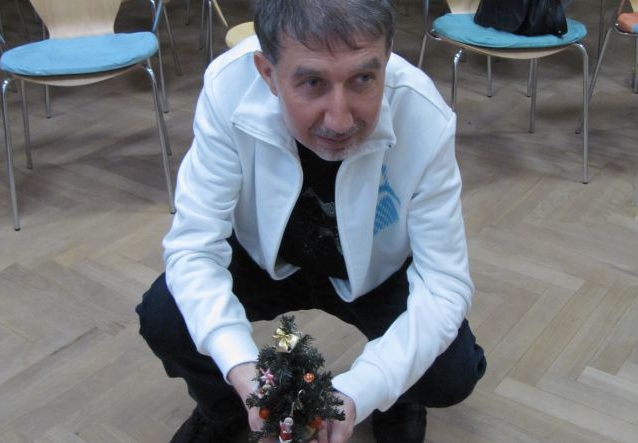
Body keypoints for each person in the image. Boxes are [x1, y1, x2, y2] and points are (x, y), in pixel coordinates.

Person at [135, 0, 486, 442]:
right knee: (165, 317)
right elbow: (193, 246)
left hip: (375, 273)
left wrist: (368, 386)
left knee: (451, 373)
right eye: (312, 82)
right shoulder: (228, 88)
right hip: (264, 261)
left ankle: (398, 396)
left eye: (363, 79)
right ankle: (224, 410)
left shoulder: (424, 114)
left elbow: (444, 284)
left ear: (387, 58)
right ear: (267, 73)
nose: (340, 120)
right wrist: (239, 365)